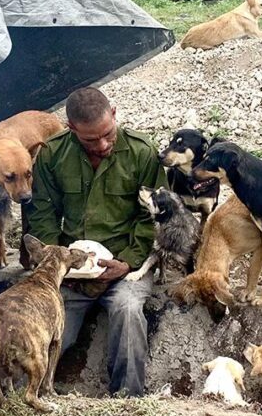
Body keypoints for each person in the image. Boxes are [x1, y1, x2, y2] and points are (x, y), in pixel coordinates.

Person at [23, 87, 168, 397]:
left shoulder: (142, 152)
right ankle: (23, 395)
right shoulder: (53, 154)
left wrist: (127, 261)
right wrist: (60, 266)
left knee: (128, 310)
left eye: (107, 134)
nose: (102, 145)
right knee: (45, 317)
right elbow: (42, 216)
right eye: (90, 139)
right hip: (71, 271)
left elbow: (155, 218)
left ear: (114, 114)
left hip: (124, 268)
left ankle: (127, 400)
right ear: (72, 129)